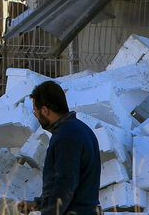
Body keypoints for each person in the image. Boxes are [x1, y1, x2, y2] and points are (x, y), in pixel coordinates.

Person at [18, 80, 102, 215]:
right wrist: (38, 204)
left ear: (45, 110)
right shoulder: (80, 129)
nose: (36, 115)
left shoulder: (66, 138)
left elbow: (64, 187)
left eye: (35, 111)